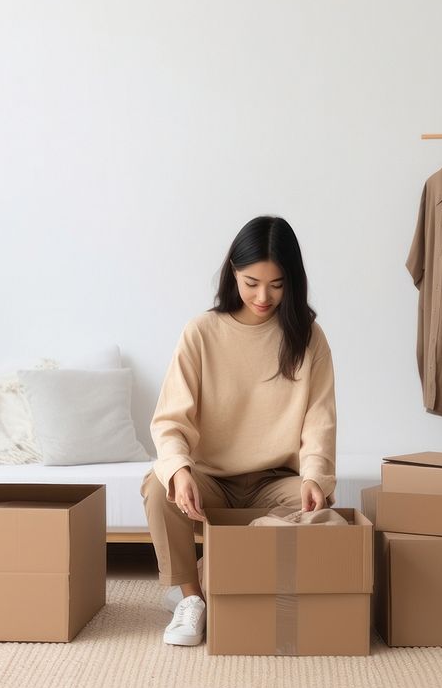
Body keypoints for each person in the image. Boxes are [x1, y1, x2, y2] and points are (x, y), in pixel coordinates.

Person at [140, 215, 337, 646]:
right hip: (211, 479)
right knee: (158, 487)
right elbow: (170, 419)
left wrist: (313, 477)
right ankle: (192, 599)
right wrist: (179, 470)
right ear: (233, 273)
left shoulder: (308, 337)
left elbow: (319, 422)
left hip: (275, 482)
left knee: (324, 512)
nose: (262, 296)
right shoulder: (201, 333)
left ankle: (221, 577)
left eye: (276, 284)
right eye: (251, 283)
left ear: (293, 281)